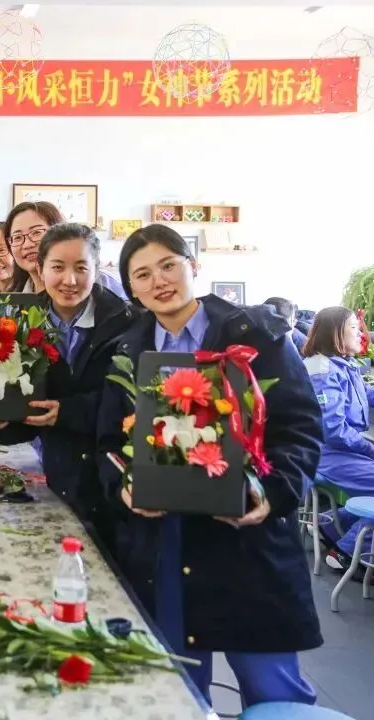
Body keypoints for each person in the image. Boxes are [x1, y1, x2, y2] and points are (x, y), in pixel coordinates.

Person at [97, 223, 322, 709]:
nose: (159, 281)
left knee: (274, 691)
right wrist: (124, 486)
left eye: (168, 265)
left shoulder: (256, 337)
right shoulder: (127, 351)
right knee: (180, 693)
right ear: (131, 288)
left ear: (193, 266)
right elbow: (108, 444)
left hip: (246, 540)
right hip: (166, 541)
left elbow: (300, 428)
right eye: (142, 274)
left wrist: (271, 493)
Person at [0, 223, 136, 555]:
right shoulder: (20, 321)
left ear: (97, 268)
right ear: (40, 268)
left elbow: (130, 405)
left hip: (116, 485)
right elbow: (25, 409)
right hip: (57, 478)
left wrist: (66, 413)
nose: (69, 280)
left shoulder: (126, 324)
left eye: (81, 268)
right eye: (58, 267)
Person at [301, 306, 374, 569]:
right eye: (354, 327)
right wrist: (370, 448)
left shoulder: (342, 364)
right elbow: (333, 431)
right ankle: (347, 552)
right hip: (328, 455)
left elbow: (364, 394)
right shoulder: (322, 371)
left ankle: (331, 525)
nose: (361, 334)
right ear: (335, 333)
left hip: (344, 451)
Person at [5, 201, 127, 298]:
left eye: (36, 232)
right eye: (17, 237)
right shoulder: (14, 296)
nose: (27, 244)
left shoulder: (104, 285)